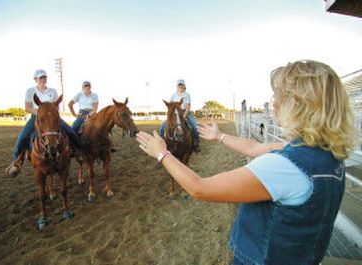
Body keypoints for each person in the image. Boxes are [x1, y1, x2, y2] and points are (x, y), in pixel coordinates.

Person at [136, 60, 356, 265]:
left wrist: (162, 154)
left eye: (278, 96)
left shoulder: (283, 167)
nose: (274, 103)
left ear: (297, 105)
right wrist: (219, 136)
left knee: (190, 126)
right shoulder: (328, 154)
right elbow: (254, 148)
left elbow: (199, 188)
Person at [6, 69, 83, 177]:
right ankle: (16, 161)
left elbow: (57, 106)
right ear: (36, 79)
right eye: (40, 78)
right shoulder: (30, 91)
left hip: (52, 118)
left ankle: (79, 152)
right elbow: (27, 107)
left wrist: (51, 113)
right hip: (37, 117)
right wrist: (39, 113)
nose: (43, 79)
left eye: (44, 77)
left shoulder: (52, 91)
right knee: (23, 137)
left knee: (70, 131)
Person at [159, 79, 201, 152]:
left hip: (185, 112)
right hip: (175, 113)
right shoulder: (173, 95)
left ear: (184, 86)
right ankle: (162, 144)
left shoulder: (187, 95)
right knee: (162, 128)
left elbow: (188, 107)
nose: (180, 86)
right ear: (177, 86)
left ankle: (196, 144)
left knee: (195, 127)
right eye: (179, 85)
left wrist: (184, 116)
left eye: (182, 85)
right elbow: (170, 106)